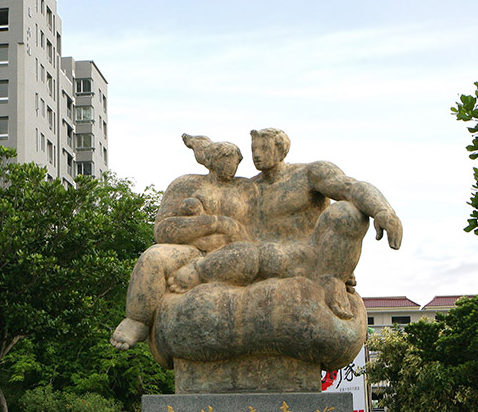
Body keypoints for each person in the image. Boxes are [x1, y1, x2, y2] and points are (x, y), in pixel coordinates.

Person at [166, 128, 403, 317]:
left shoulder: (309, 174)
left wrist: (382, 210)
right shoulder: (249, 187)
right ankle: (198, 271)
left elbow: (351, 187)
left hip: (313, 256)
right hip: (264, 257)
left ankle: (333, 280)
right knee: (246, 253)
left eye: (264, 148)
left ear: (281, 150)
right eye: (254, 149)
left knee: (348, 212)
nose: (256, 154)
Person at [109, 134, 254, 351]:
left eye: (236, 161)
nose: (231, 166)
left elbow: (256, 230)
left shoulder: (246, 188)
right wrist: (215, 223)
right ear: (213, 159)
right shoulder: (185, 184)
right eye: (226, 159)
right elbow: (163, 229)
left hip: (232, 253)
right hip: (191, 250)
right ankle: (138, 319)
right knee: (153, 257)